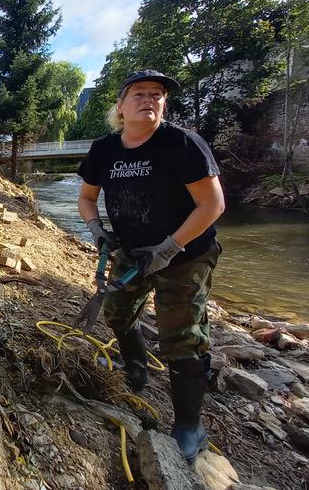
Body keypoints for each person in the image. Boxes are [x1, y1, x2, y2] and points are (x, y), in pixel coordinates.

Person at [76, 70, 225, 463]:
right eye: (139, 94)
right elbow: (87, 199)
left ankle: (190, 425)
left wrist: (169, 248)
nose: (149, 100)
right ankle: (136, 370)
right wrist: (97, 232)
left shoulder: (182, 144)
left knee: (182, 336)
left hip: (186, 256)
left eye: (157, 95)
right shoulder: (105, 150)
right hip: (131, 249)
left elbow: (212, 206)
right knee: (117, 312)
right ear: (120, 107)